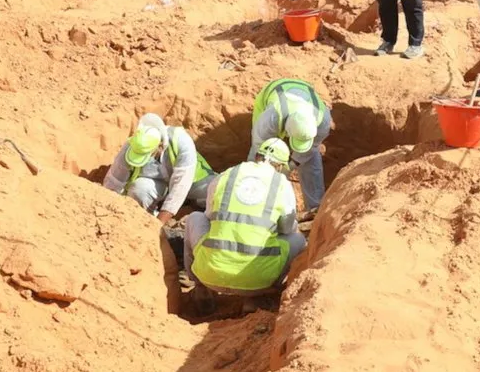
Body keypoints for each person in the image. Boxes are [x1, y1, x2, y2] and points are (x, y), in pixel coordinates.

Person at [184, 137, 305, 297]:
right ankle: (265, 295)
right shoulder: (281, 183)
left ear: (257, 157)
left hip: (210, 274)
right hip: (258, 282)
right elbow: (287, 228)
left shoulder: (227, 175)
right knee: (298, 240)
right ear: (281, 166)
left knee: (194, 218)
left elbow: (209, 215)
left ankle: (200, 288)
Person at [102, 113, 216, 225]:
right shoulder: (133, 146)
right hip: (157, 183)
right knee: (139, 190)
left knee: (216, 189)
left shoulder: (181, 141)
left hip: (191, 180)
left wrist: (160, 224)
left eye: (148, 155)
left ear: (160, 146)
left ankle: (198, 206)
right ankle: (146, 219)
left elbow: (180, 187)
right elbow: (113, 183)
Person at [249, 78, 331, 218]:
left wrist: (291, 165)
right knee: (258, 159)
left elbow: (311, 149)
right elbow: (259, 148)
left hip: (301, 94)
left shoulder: (323, 121)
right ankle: (253, 200)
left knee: (311, 158)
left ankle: (315, 209)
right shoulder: (271, 118)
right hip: (272, 94)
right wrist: (265, 170)